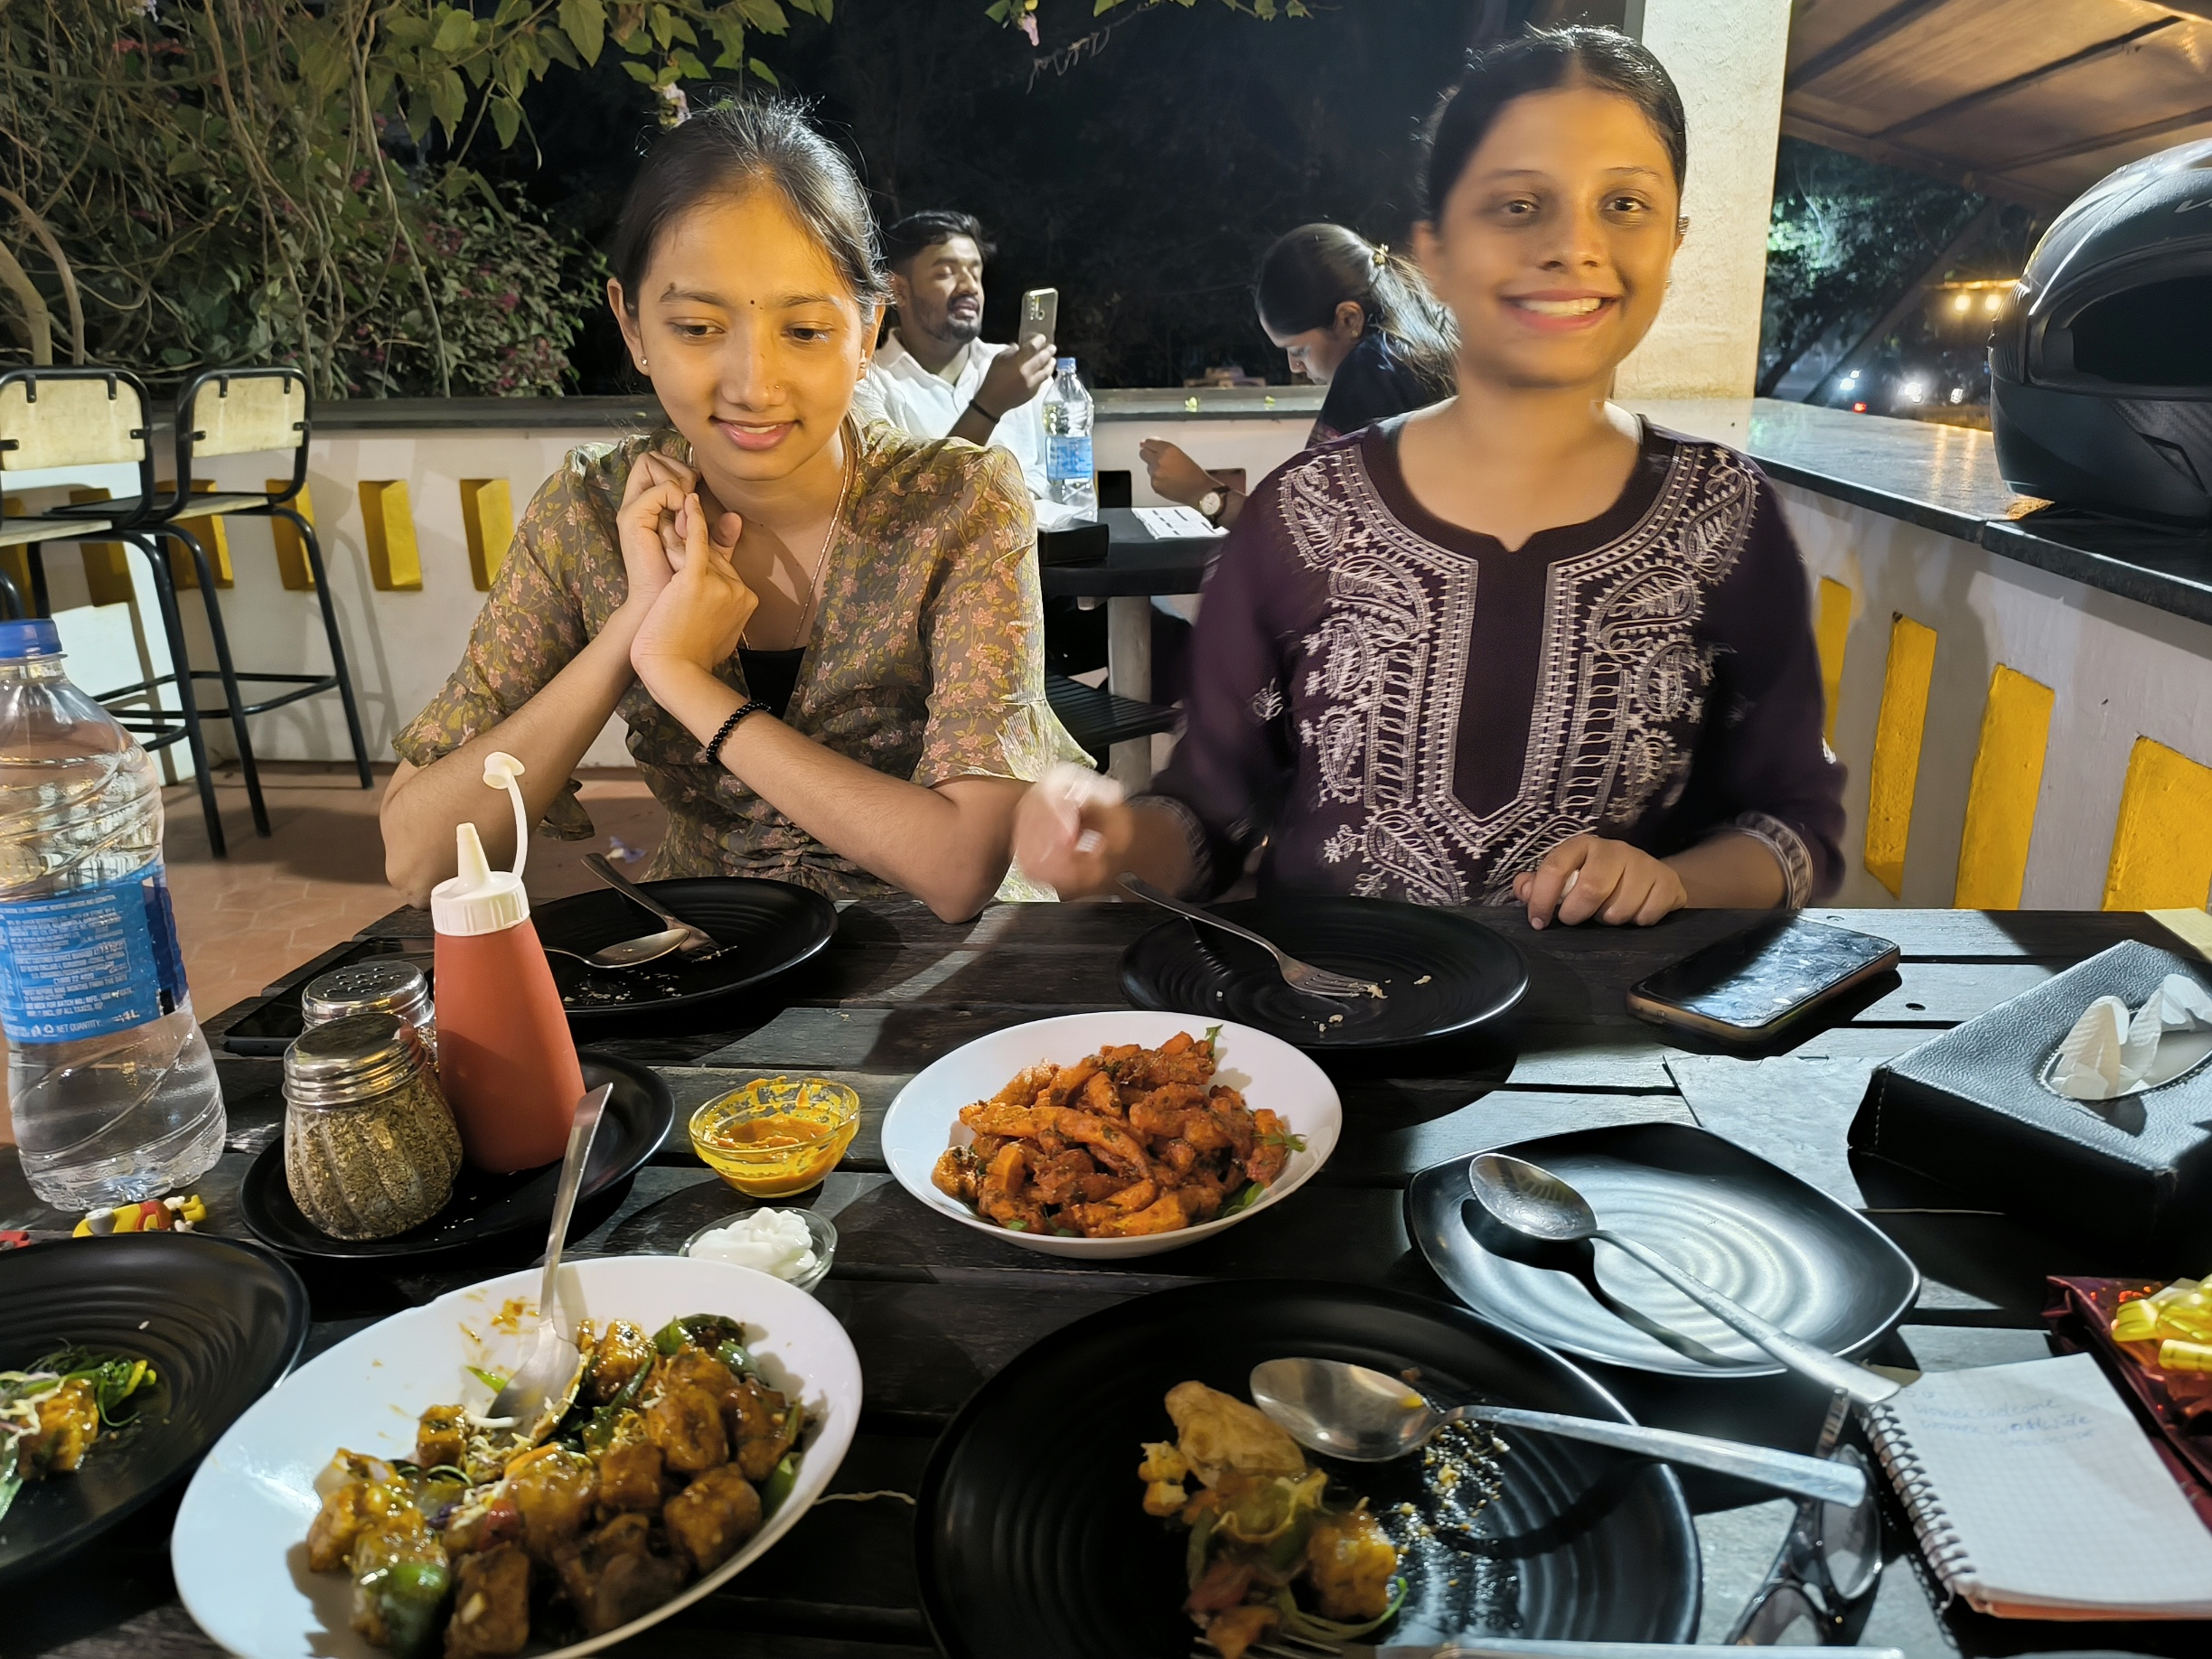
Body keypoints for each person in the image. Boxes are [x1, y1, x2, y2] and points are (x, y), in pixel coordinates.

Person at [1016, 26, 1846, 929]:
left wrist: (1677, 881)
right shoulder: (1302, 512)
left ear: (1675, 240)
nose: (1573, 245)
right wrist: (1112, 844)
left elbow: (1794, 828)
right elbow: (1207, 814)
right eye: (1518, 205)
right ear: (1437, 249)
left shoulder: (1723, 514)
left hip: (1615, 1019)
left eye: (1624, 203)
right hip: (1325, 1003)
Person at [380, 100, 1084, 922]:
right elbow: (418, 856)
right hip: (713, 952)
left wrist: (686, 682)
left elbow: (959, 868)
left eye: (805, 331)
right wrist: (631, 629)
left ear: (866, 334)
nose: (753, 385)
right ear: (632, 326)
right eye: (697, 327)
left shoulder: (957, 501)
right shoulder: (591, 514)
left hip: (942, 960)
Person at [1139, 222, 1457, 528]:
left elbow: (1307, 531)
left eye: (1299, 350)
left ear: (1349, 320)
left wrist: (1202, 493)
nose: (1294, 367)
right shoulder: (1427, 342)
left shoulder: (1371, 372)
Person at [853, 211, 1083, 528]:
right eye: (946, 273)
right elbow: (905, 511)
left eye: (976, 272)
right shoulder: (871, 385)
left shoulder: (1020, 370)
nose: (969, 286)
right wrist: (988, 406)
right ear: (899, 290)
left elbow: (1067, 486)